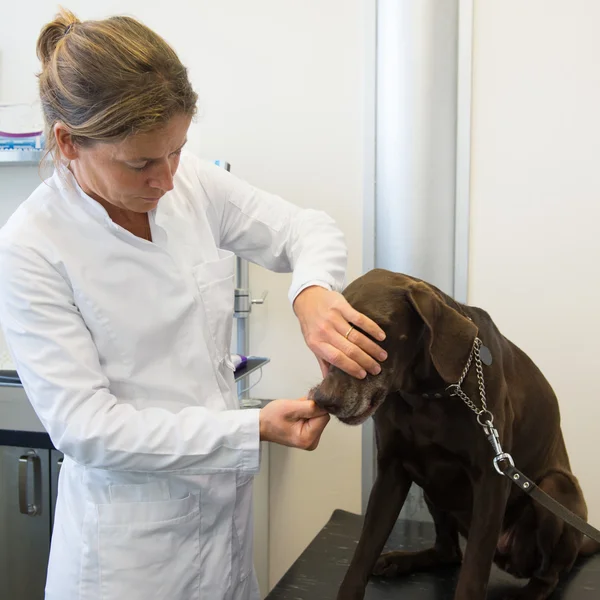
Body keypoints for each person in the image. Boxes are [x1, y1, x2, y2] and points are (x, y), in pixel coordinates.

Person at [0, 9, 387, 600]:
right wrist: (248, 428)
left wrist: (311, 290)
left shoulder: (190, 184)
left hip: (225, 541)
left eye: (177, 150)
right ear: (67, 142)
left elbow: (304, 229)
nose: (166, 177)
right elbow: (87, 428)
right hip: (128, 560)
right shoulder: (34, 246)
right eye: (141, 163)